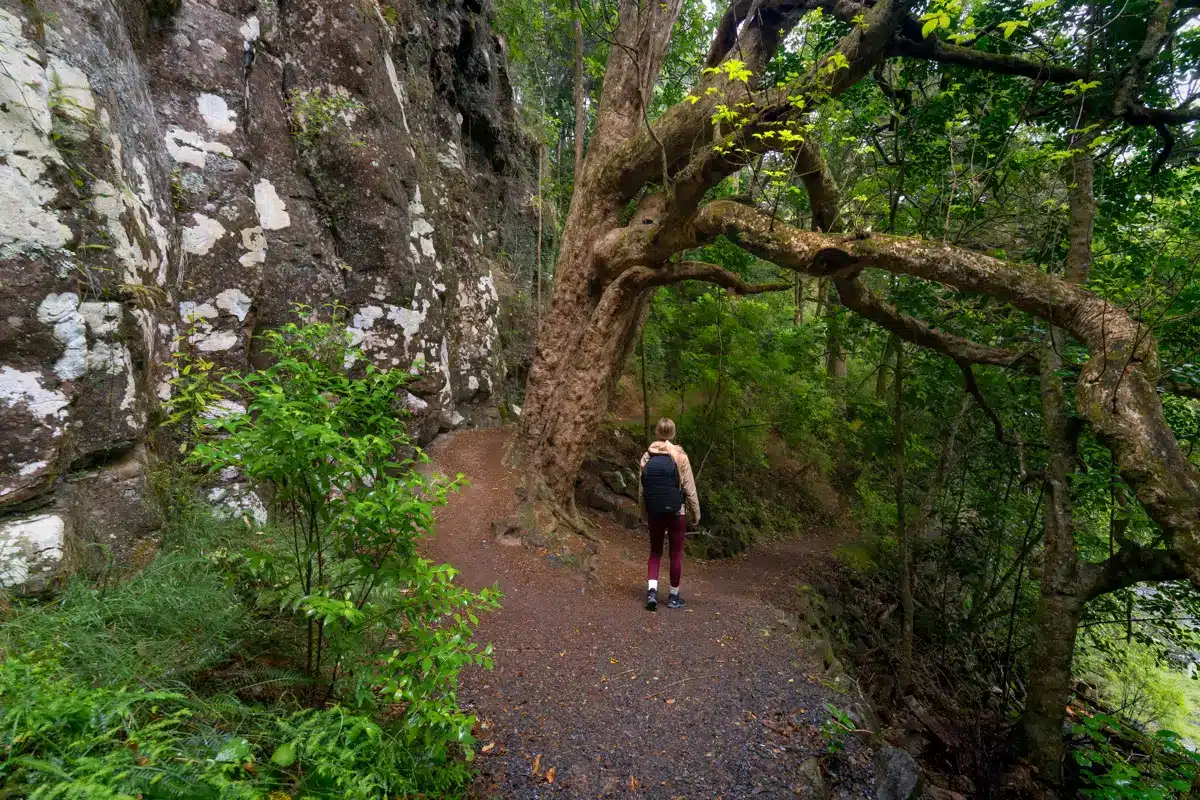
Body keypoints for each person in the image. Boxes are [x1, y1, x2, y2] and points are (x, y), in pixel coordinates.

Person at [639, 418, 700, 611]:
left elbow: (642, 489)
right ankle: (674, 596)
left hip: (654, 511)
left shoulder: (647, 457)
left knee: (655, 552)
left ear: (657, 432)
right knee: (675, 554)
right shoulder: (680, 457)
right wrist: (696, 513)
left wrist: (643, 511)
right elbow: (690, 489)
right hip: (676, 512)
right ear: (673, 434)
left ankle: (652, 593)